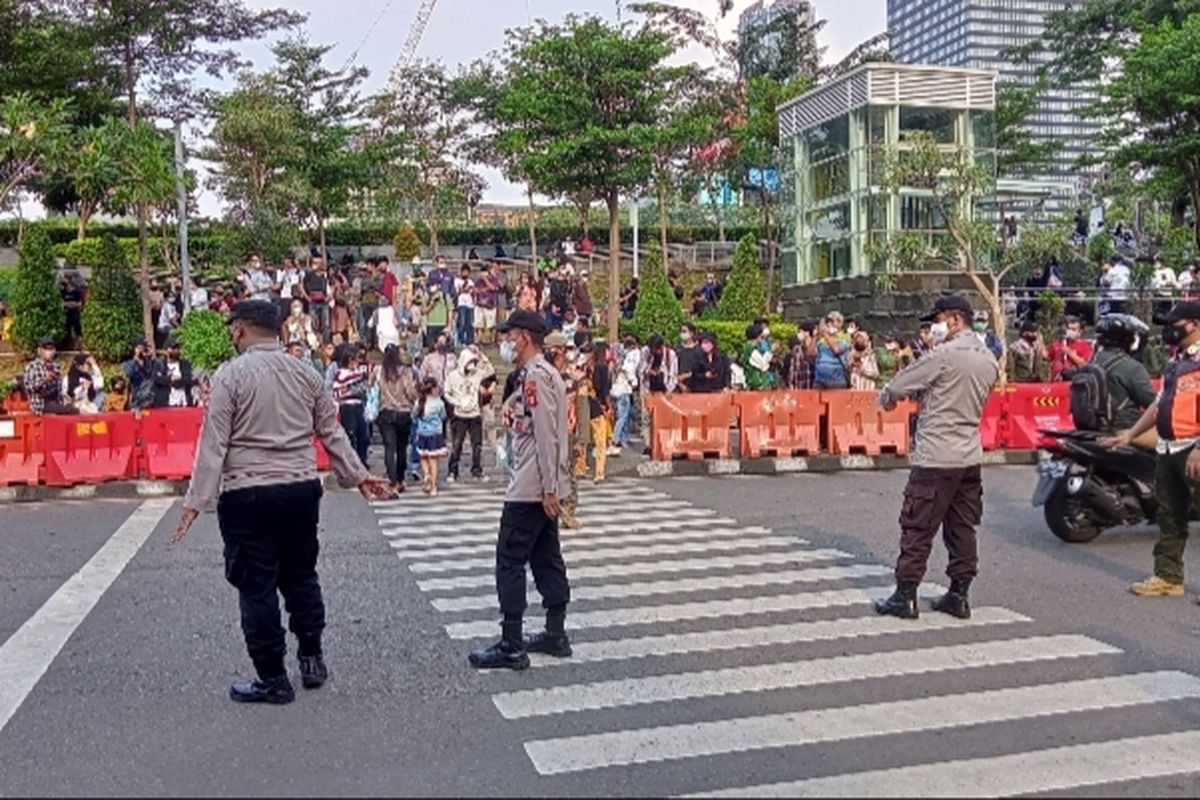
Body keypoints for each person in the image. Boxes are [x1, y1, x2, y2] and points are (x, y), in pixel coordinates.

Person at [171, 300, 394, 705]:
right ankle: (311, 658)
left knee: (256, 586)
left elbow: (213, 443)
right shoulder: (306, 373)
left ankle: (273, 677)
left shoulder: (230, 376)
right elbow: (332, 431)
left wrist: (196, 501)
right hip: (299, 487)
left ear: (239, 330)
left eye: (231, 328)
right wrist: (357, 475)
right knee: (301, 574)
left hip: (247, 492)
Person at [873, 295, 999, 621]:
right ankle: (959, 594)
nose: (933, 327)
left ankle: (905, 596)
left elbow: (899, 385)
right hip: (969, 455)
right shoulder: (989, 358)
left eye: (938, 320)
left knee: (917, 526)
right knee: (962, 527)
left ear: (955, 320)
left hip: (935, 456)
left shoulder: (943, 356)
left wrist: (886, 398)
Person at [468, 309, 571, 671]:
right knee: (545, 556)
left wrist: (549, 489)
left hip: (531, 486)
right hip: (541, 483)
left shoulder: (536, 379)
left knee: (509, 561)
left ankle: (512, 642)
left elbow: (546, 435)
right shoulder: (543, 374)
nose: (505, 342)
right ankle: (555, 633)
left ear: (524, 337)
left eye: (508, 335)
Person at [1104, 302, 1200, 598]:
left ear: (1195, 324)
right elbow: (1159, 405)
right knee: (1170, 516)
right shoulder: (1176, 362)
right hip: (1170, 448)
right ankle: (1168, 577)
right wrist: (1131, 434)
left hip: (1194, 449)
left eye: (1176, 322)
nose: (1169, 328)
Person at [1088, 314, 1157, 440]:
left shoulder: (1094, 360)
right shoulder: (1132, 367)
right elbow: (1154, 403)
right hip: (1124, 429)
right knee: (1175, 445)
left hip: (1093, 428)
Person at [375, 345, 419, 494]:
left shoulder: (379, 370)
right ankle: (400, 479)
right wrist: (414, 398)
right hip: (403, 412)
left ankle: (392, 480)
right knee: (402, 448)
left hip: (385, 411)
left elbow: (374, 388)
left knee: (389, 448)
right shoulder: (405, 371)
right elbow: (410, 391)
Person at [444, 350, 487, 483]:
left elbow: (489, 371)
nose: (472, 365)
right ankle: (453, 470)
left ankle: (477, 469)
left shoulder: (478, 374)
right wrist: (456, 403)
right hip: (460, 414)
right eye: (470, 362)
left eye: (473, 362)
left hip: (475, 414)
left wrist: (481, 356)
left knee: (477, 444)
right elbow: (446, 392)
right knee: (457, 444)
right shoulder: (452, 376)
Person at [331, 345, 371, 468]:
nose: (356, 361)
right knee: (350, 434)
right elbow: (336, 392)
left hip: (359, 406)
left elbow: (365, 388)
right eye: (353, 358)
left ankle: (361, 461)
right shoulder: (341, 374)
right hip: (347, 407)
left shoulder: (359, 373)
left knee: (363, 436)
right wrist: (350, 390)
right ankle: (350, 463)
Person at [414, 377, 448, 495]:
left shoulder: (419, 402)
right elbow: (443, 416)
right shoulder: (439, 403)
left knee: (423, 457)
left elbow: (414, 415)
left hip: (422, 433)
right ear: (433, 388)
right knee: (434, 460)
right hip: (435, 433)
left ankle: (426, 475)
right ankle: (433, 486)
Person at [609, 335, 639, 455]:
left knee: (624, 415)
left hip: (617, 389)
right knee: (622, 416)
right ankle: (616, 439)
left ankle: (624, 438)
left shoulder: (619, 358)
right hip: (624, 389)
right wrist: (634, 382)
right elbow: (629, 370)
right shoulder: (629, 358)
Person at [1043, 316, 1094, 381]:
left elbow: (1084, 364)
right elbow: (1046, 356)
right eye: (1068, 329)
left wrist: (1069, 353)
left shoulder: (1085, 346)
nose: (1070, 331)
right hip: (1056, 382)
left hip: (1073, 382)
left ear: (1080, 331)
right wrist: (1039, 340)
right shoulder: (1059, 343)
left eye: (1073, 329)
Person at [151, 338, 197, 408]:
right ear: (166, 350)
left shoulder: (185, 364)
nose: (176, 350)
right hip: (165, 403)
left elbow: (188, 379)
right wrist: (170, 379)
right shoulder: (159, 364)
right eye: (173, 348)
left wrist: (179, 380)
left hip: (183, 403)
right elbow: (156, 379)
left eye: (177, 348)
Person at [812, 312, 851, 389]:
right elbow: (811, 353)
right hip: (819, 380)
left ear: (840, 323)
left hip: (836, 381)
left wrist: (825, 334)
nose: (829, 324)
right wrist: (815, 337)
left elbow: (836, 350)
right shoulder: (821, 339)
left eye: (832, 322)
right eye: (827, 322)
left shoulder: (844, 337)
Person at [742, 322, 777, 390]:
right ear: (757, 336)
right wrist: (771, 351)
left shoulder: (754, 348)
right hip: (757, 385)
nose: (763, 338)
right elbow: (763, 364)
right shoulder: (750, 349)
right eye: (761, 336)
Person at [303, 258, 331, 338]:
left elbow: (333, 285)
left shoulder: (325, 274)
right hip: (313, 301)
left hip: (324, 301)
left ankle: (326, 342)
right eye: (314, 262)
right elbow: (301, 285)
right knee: (313, 323)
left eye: (316, 263)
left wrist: (329, 296)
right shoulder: (309, 274)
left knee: (325, 323)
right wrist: (306, 296)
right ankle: (315, 342)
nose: (314, 264)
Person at [676, 322, 702, 392]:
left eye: (684, 331)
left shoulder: (698, 350)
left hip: (694, 385)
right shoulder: (677, 348)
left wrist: (686, 375)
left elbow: (700, 368)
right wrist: (680, 383)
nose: (682, 334)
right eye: (681, 331)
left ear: (691, 333)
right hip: (679, 385)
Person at [60, 275, 84, 347]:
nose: (63, 281)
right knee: (66, 331)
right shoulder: (63, 292)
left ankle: (79, 346)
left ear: (69, 280)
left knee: (77, 330)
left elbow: (79, 304)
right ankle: (67, 346)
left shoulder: (76, 292)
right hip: (65, 315)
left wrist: (69, 304)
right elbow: (61, 303)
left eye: (64, 279)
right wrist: (71, 304)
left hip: (75, 314)